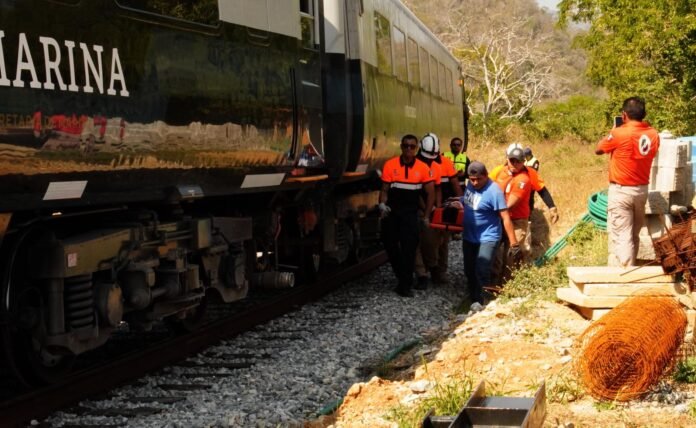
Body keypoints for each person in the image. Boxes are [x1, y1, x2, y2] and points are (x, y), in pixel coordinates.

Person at [595, 96, 659, 267]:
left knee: (623, 236)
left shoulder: (619, 133)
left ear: (624, 115)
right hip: (641, 190)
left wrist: (613, 132)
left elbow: (599, 149)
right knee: (633, 235)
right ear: (643, 114)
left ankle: (625, 273)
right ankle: (631, 266)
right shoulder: (653, 134)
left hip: (621, 191)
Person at [449, 161, 518, 311]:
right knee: (469, 269)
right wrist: (459, 201)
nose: (475, 183)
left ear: (486, 176)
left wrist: (514, 243)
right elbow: (469, 200)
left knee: (482, 269)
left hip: (488, 237)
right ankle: (473, 298)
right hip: (469, 236)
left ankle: (483, 302)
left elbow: (505, 217)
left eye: (478, 179)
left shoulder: (494, 191)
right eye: (472, 179)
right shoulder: (470, 185)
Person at [379, 134, 435, 297]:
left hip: (410, 215)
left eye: (412, 146)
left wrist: (426, 215)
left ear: (416, 148)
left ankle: (405, 285)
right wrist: (382, 204)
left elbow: (430, 193)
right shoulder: (390, 165)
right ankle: (402, 277)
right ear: (401, 147)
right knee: (390, 246)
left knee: (409, 249)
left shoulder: (422, 168)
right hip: (392, 213)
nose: (408, 149)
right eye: (406, 146)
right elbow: (384, 189)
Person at [489, 148, 532, 279]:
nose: (514, 164)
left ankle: (508, 283)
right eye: (512, 160)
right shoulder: (501, 172)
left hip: (516, 221)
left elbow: (510, 204)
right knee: (492, 249)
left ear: (523, 162)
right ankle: (493, 280)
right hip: (500, 218)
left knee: (512, 254)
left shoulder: (523, 179)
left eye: (518, 161)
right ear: (507, 159)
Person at [413, 133, 443, 289]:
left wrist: (437, 208)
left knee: (431, 242)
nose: (429, 160)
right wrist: (425, 210)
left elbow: (437, 189)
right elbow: (416, 192)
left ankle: (432, 266)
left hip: (430, 210)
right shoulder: (414, 165)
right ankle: (421, 274)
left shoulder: (436, 167)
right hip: (416, 209)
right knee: (414, 244)